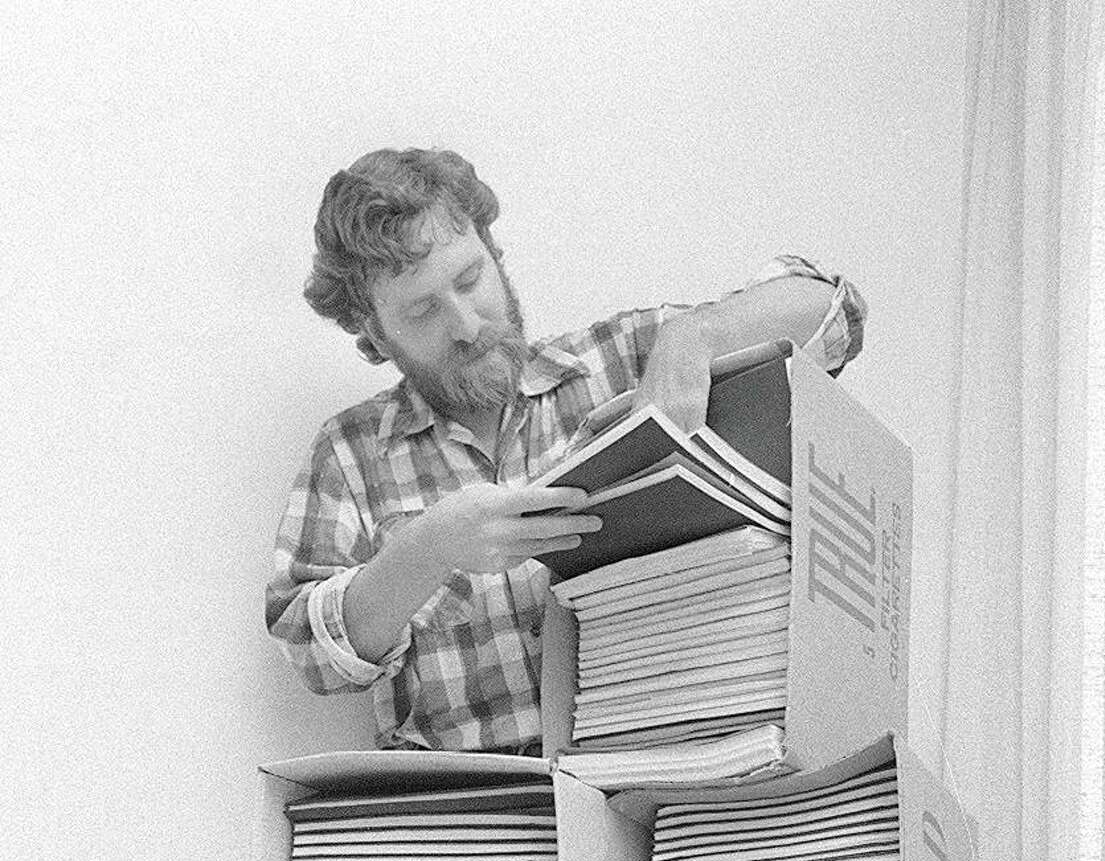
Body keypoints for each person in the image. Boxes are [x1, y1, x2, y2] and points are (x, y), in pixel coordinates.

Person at [266, 147, 866, 753]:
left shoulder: (622, 358)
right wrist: (427, 549)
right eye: (422, 310)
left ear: (495, 257)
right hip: (482, 818)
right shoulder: (350, 453)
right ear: (374, 334)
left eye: (471, 279)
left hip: (671, 773)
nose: (467, 325)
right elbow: (310, 650)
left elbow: (837, 317)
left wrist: (700, 331)